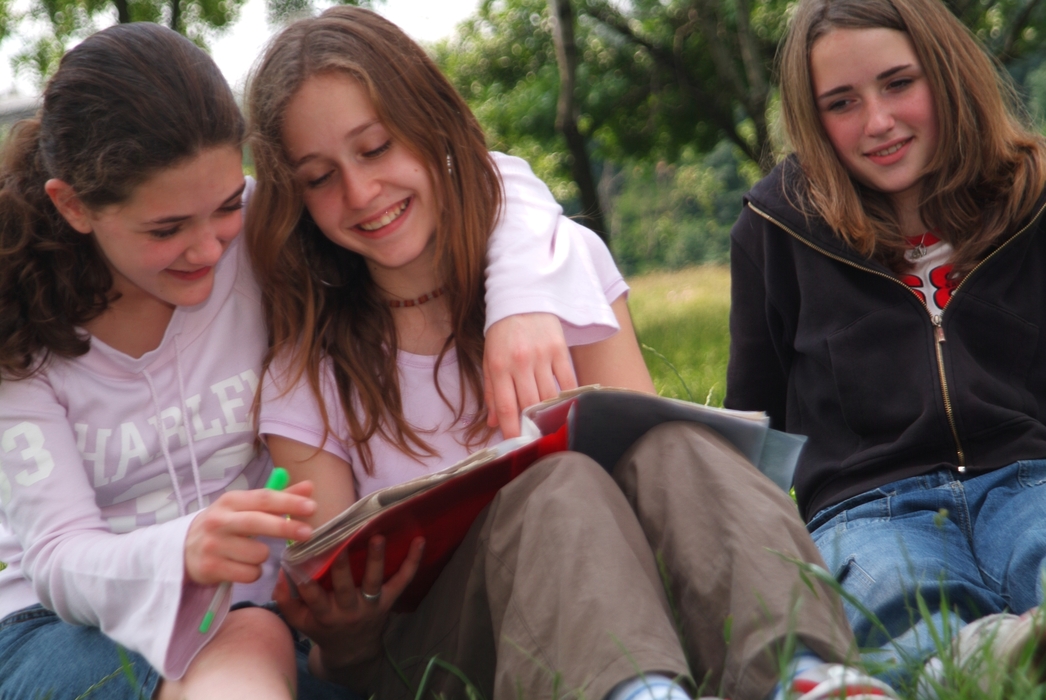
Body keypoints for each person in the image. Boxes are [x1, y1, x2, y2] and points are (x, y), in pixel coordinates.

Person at [247, 8, 900, 700]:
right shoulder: (306, 367)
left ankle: (808, 675)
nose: (359, 192)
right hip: (447, 654)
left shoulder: (559, 263)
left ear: (430, 123)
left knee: (674, 443)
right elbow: (338, 656)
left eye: (376, 148)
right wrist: (346, 632)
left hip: (625, 604)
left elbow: (655, 494)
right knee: (551, 487)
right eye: (319, 178)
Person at [0, 21, 642, 700]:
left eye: (224, 207)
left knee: (265, 640)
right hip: (65, 626)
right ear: (73, 205)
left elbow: (485, 174)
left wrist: (518, 298)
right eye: (165, 230)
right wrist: (180, 550)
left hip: (270, 625)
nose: (209, 250)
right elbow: (59, 559)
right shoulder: (19, 327)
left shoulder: (261, 234)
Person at [725, 0, 1046, 691]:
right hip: (869, 505)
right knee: (896, 595)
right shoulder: (776, 229)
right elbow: (755, 426)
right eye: (841, 102)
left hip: (1030, 476)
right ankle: (962, 663)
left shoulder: (1034, 199)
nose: (877, 123)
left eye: (899, 83)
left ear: (947, 73)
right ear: (812, 119)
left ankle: (1000, 651)